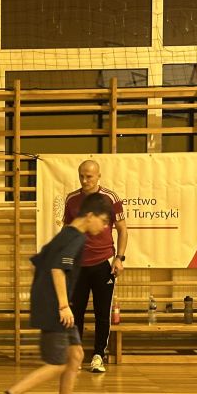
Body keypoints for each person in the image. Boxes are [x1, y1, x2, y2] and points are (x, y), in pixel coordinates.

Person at [0, 192, 112, 394]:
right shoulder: (75, 238)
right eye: (104, 221)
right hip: (56, 308)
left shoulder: (65, 235)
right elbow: (57, 268)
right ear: (90, 215)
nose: (105, 227)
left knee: (75, 355)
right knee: (57, 364)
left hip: (52, 303)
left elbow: (38, 263)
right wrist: (62, 305)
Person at [63, 160, 128, 374]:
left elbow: (122, 230)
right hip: (78, 266)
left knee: (102, 312)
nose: (85, 180)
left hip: (103, 263)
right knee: (75, 313)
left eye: (89, 176)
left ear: (98, 176)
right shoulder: (72, 199)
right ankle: (75, 356)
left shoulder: (110, 198)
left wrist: (119, 258)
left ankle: (99, 355)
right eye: (81, 176)